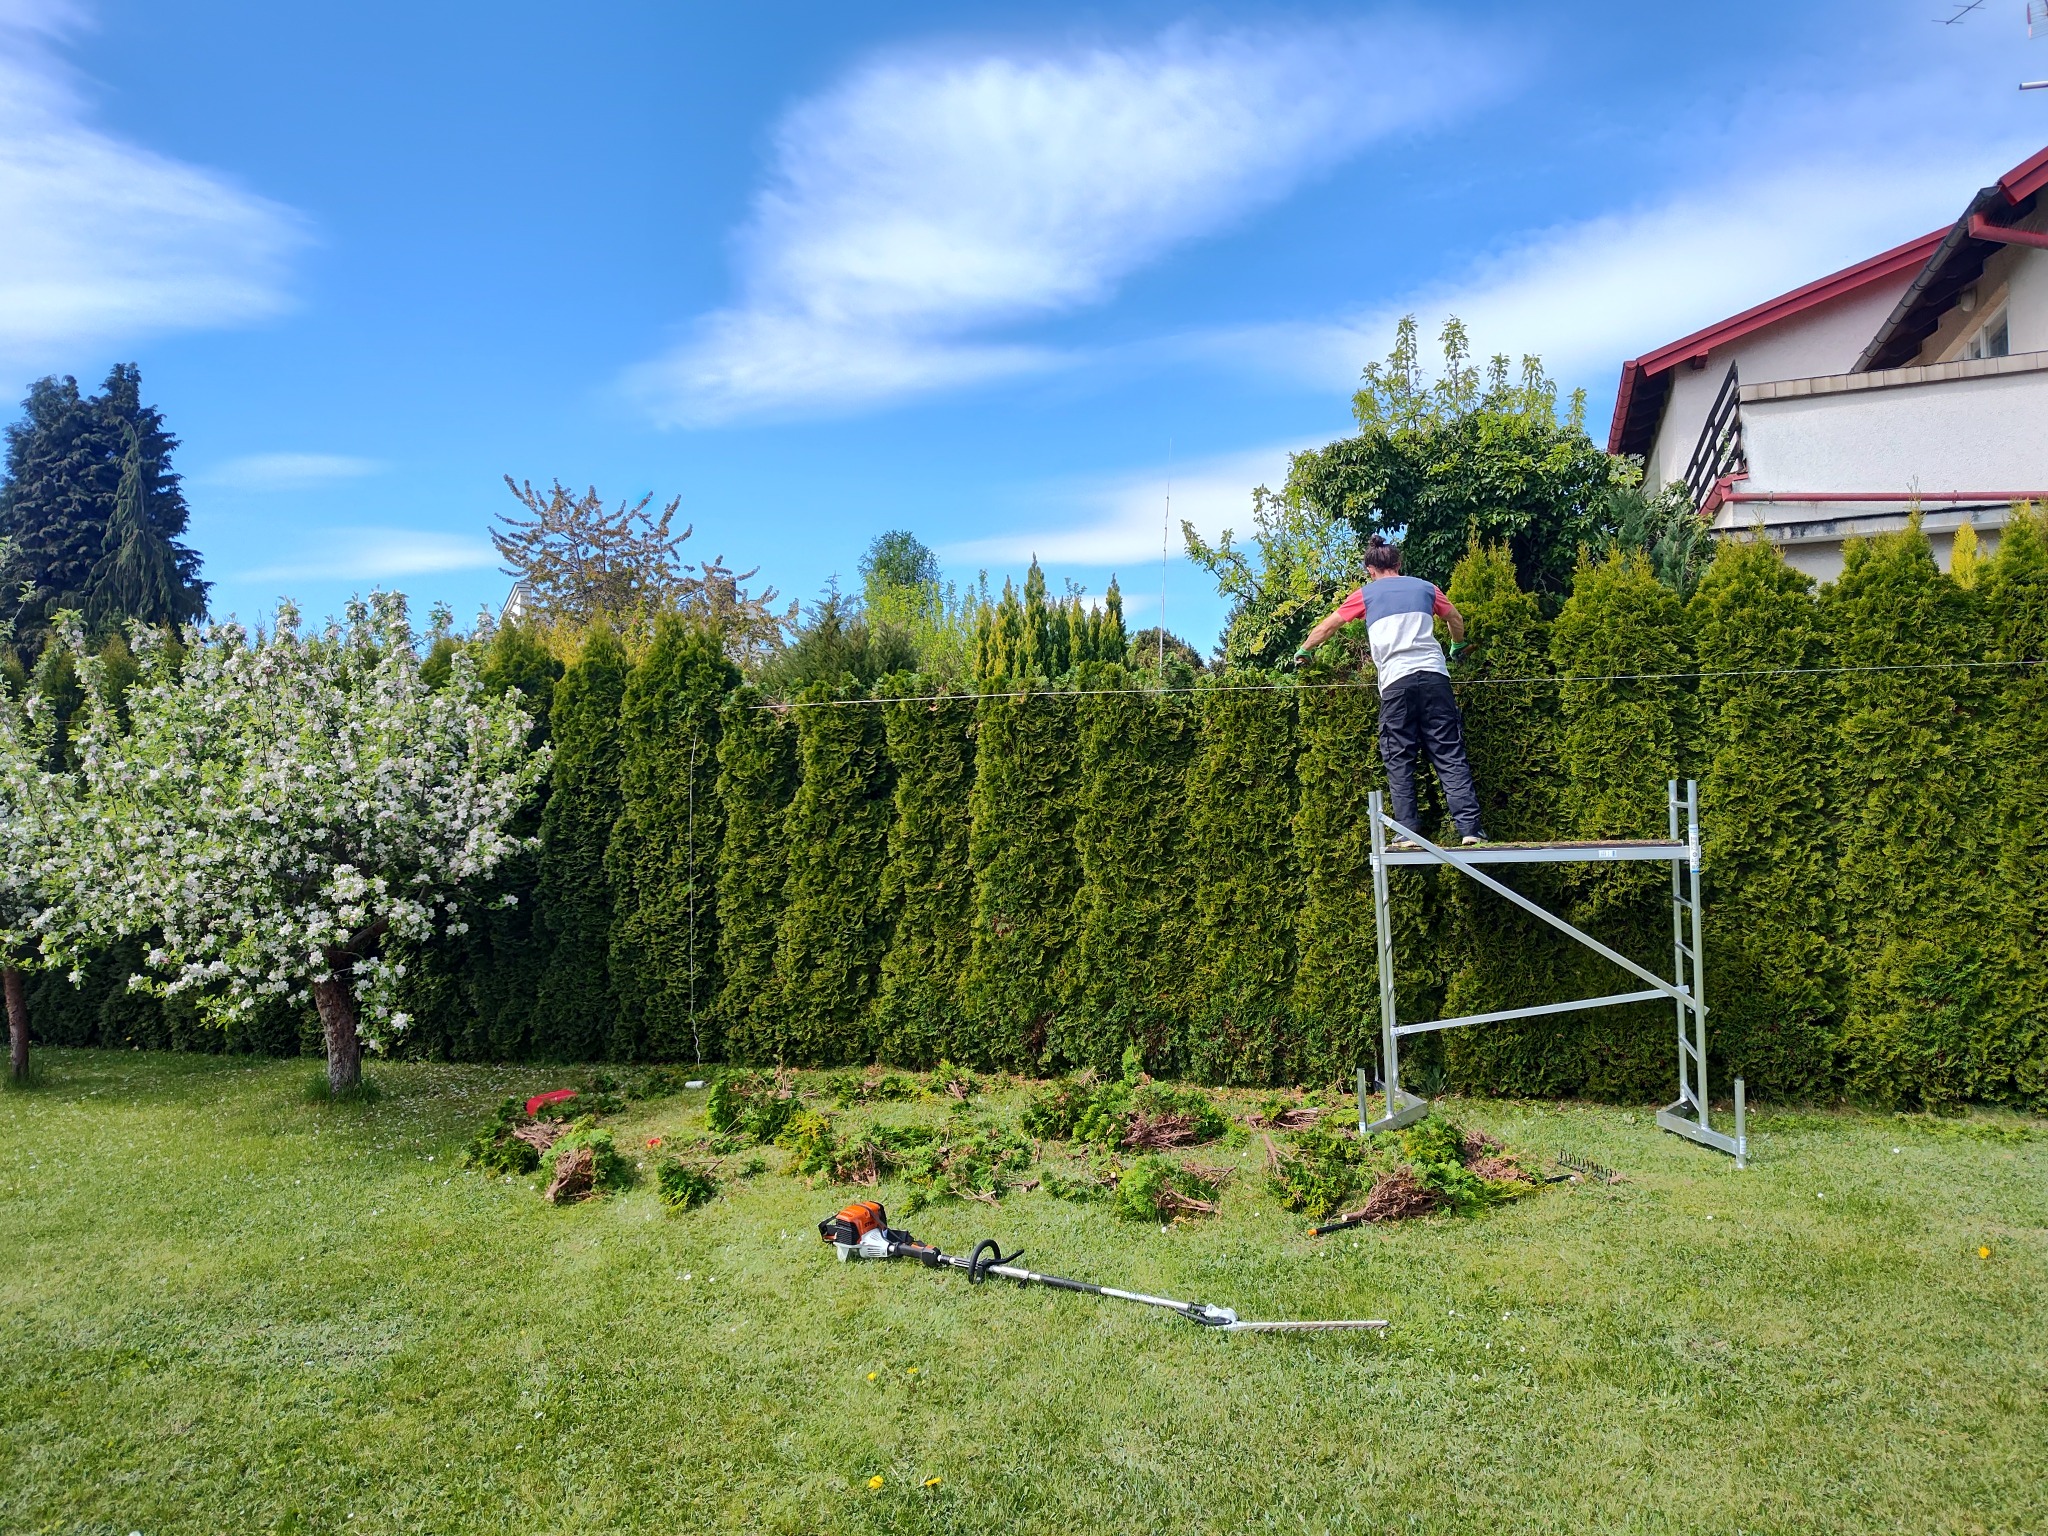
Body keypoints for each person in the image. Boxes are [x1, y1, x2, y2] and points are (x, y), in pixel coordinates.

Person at [1292, 535, 1485, 848]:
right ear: (1399, 564)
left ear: (1370, 570)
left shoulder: (1365, 595)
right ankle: (1470, 830)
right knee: (1449, 752)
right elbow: (1454, 618)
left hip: (1397, 682)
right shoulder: (1426, 588)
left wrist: (1305, 650)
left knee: (1399, 756)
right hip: (1435, 677)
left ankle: (1408, 833)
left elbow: (1328, 626)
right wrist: (1457, 644)